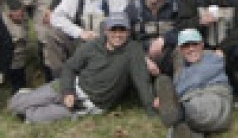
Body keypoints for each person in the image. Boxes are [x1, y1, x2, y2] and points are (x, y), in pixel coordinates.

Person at [7, 12, 156, 123]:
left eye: (122, 30)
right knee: (15, 106)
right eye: (113, 30)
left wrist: (151, 109)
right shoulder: (93, 46)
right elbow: (69, 67)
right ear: (106, 31)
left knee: (36, 117)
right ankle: (28, 97)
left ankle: (33, 104)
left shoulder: (133, 50)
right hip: (71, 87)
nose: (117, 34)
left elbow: (141, 80)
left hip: (89, 105)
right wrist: (68, 92)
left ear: (128, 32)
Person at [154, 28, 232, 138]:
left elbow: (197, 78)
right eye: (186, 46)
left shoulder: (214, 58)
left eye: (194, 44)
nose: (191, 49)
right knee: (182, 126)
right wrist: (168, 99)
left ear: (202, 45)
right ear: (180, 49)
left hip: (214, 97)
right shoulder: (180, 70)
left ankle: (179, 112)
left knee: (198, 109)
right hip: (189, 101)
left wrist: (172, 95)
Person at [44, 0, 128, 79]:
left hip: (107, 47)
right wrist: (79, 32)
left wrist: (102, 40)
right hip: (80, 43)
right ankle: (62, 80)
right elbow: (56, 17)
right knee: (52, 34)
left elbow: (122, 29)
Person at [126, 0, 181, 78]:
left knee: (182, 50)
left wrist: (164, 39)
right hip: (142, 56)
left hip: (168, 54)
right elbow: (125, 39)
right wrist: (143, 59)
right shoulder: (133, 8)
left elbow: (186, 29)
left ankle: (179, 90)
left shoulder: (176, 5)